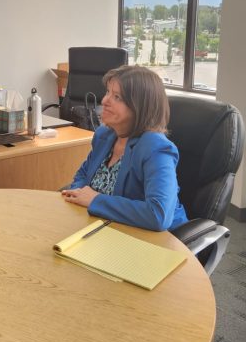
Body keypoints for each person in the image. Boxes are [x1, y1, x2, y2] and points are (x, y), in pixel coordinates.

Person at [62, 65, 187, 231]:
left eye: (117, 97)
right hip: (104, 226)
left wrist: (95, 200)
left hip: (154, 238)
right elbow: (83, 175)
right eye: (108, 92)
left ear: (140, 107)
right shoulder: (104, 135)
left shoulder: (156, 148)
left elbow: (158, 215)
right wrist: (77, 193)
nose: (104, 101)